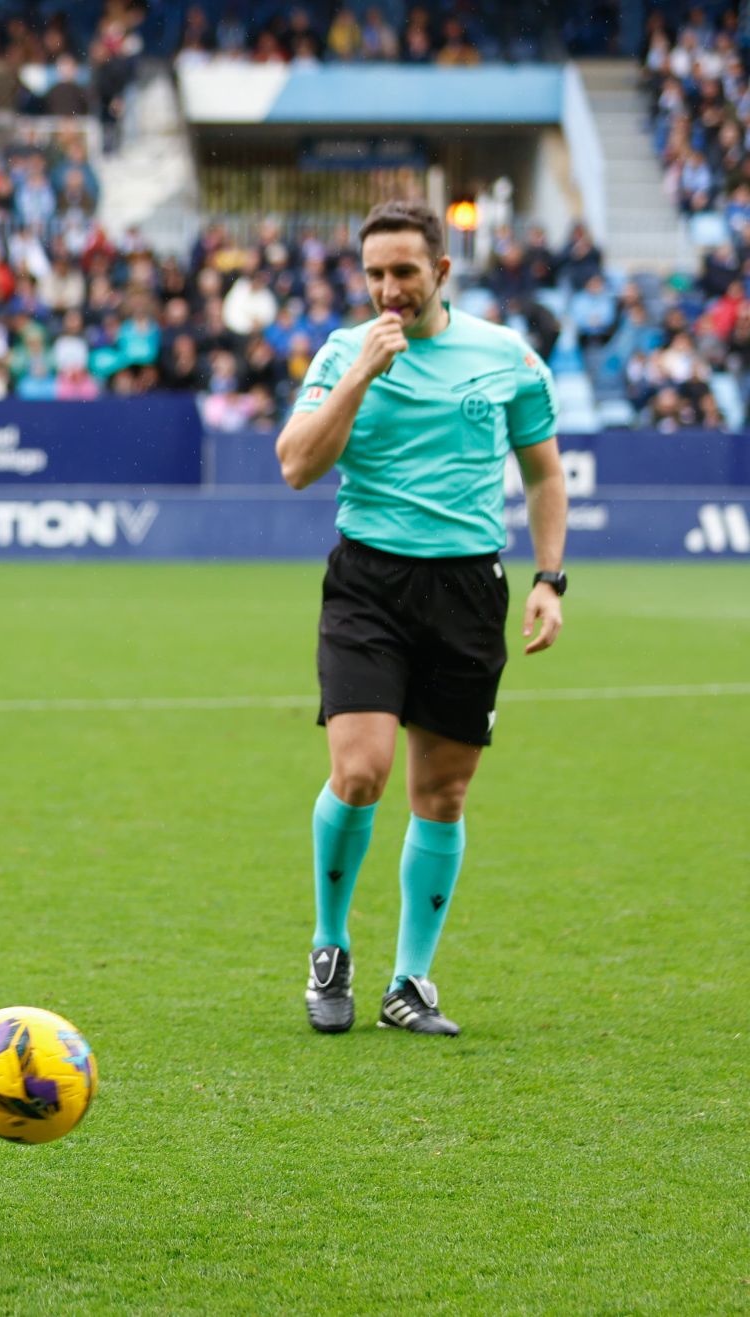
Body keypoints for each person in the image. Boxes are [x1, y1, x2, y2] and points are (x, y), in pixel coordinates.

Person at [276, 200, 567, 1038]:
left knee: (443, 791)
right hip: (368, 583)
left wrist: (551, 578)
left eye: (404, 271)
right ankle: (330, 948)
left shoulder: (507, 358)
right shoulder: (343, 353)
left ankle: (411, 980)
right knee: (360, 769)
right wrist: (364, 372)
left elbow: (544, 475)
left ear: (442, 270)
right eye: (374, 274)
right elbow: (297, 463)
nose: (388, 289)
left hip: (470, 591)